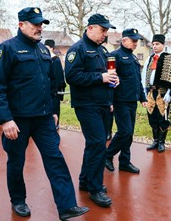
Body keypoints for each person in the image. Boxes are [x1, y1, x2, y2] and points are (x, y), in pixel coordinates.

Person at [0, 7, 89, 220]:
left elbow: (51, 84)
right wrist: (5, 119)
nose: (39, 27)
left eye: (41, 24)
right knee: (16, 162)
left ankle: (67, 206)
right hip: (18, 120)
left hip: (43, 119)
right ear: (21, 24)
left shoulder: (44, 51)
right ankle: (18, 200)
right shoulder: (7, 49)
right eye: (35, 24)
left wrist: (53, 111)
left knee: (55, 159)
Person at [65, 13, 118, 207]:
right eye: (103, 30)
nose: (105, 34)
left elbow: (106, 76)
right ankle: (96, 188)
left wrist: (112, 81)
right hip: (86, 105)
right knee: (97, 143)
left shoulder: (103, 51)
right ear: (90, 28)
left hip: (103, 103)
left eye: (106, 30)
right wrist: (101, 78)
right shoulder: (77, 49)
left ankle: (85, 181)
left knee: (93, 144)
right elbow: (71, 76)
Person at [104, 28, 147, 174]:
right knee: (125, 131)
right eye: (133, 41)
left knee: (130, 133)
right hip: (120, 100)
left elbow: (137, 81)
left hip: (132, 100)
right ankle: (107, 155)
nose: (135, 43)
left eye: (137, 41)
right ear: (124, 40)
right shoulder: (114, 56)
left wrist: (142, 97)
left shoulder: (134, 58)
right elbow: (110, 81)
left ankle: (124, 162)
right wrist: (109, 101)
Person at [141, 34, 171, 152]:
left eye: (157, 44)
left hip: (163, 93)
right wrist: (144, 92)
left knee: (163, 118)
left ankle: (161, 142)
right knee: (152, 117)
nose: (154, 46)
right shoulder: (149, 59)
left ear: (163, 45)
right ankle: (155, 140)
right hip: (151, 93)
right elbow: (144, 76)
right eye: (153, 44)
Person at [44, 39, 66, 130]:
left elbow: (58, 76)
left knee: (55, 107)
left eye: (47, 48)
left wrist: (57, 89)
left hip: (54, 89)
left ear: (52, 48)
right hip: (46, 89)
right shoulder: (44, 58)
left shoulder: (55, 60)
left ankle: (56, 124)